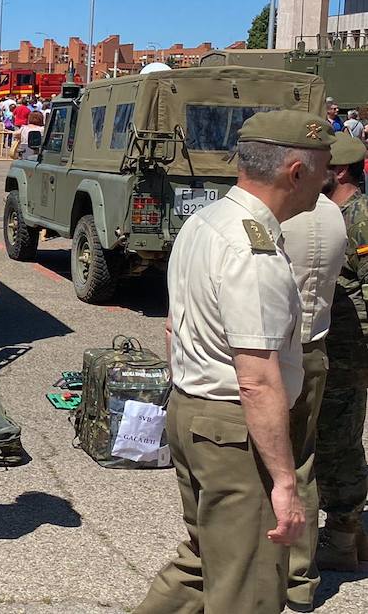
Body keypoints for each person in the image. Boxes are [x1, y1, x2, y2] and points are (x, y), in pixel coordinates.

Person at [137, 110, 332, 614]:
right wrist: (286, 483)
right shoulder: (253, 250)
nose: (328, 181)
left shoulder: (205, 221)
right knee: (249, 586)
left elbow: (172, 327)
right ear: (295, 172)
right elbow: (258, 381)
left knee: (205, 563)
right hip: (234, 428)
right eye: (323, 168)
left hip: (194, 407)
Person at [279, 134, 355, 609]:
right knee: (301, 464)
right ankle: (300, 579)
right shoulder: (333, 216)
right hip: (316, 348)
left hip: (277, 350)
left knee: (264, 463)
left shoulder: (281, 216)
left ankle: (264, 568)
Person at [315, 130, 368, 571]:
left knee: (339, 440)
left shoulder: (359, 216)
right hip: (334, 342)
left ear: (342, 171)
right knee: (331, 435)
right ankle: (349, 533)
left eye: (324, 167)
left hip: (353, 348)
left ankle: (343, 535)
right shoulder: (330, 213)